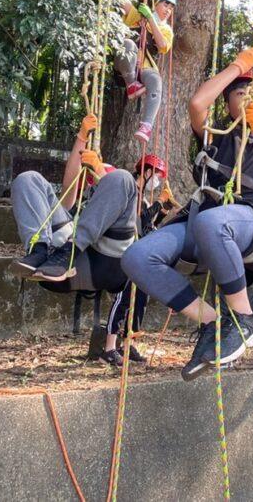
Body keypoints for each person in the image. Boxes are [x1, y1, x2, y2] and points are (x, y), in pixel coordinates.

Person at [121, 49, 253, 380]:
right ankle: (214, 323)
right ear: (227, 102)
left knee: (212, 221)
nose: (248, 95)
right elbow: (196, 104)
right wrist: (237, 67)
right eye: (238, 91)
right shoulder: (215, 136)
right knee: (137, 256)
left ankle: (245, 317)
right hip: (206, 222)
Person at [7, 113, 142, 289]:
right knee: (27, 179)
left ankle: (71, 250)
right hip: (58, 264)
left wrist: (101, 171)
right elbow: (69, 186)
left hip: (108, 262)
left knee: (122, 178)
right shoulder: (80, 206)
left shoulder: (126, 200)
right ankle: (38, 250)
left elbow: (117, 187)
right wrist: (81, 137)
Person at [99, 154, 175, 367]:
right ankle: (109, 348)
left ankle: (127, 342)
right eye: (157, 175)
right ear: (148, 172)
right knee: (123, 299)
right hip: (125, 252)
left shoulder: (143, 197)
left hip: (140, 253)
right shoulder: (130, 190)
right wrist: (158, 203)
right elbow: (138, 219)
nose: (157, 180)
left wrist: (162, 211)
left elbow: (148, 226)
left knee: (139, 300)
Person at [115, 0, 176, 144]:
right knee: (126, 44)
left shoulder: (166, 29)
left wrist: (150, 18)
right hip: (128, 64)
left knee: (156, 81)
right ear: (154, 2)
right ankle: (131, 83)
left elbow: (163, 45)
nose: (168, 10)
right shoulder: (137, 17)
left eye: (171, 8)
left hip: (146, 66)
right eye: (166, 4)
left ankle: (146, 125)